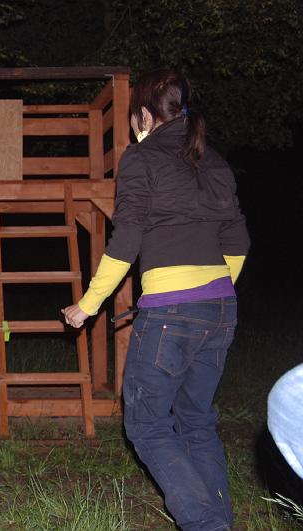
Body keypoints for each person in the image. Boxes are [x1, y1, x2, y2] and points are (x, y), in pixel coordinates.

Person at [61, 70, 250, 531]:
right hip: (221, 309)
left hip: (171, 313)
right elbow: (238, 241)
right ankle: (219, 521)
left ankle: (207, 524)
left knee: (146, 424)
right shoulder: (214, 161)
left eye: (133, 119)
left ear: (144, 116)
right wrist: (210, 291)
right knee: (196, 421)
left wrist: (88, 304)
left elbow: (126, 239)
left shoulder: (140, 158)